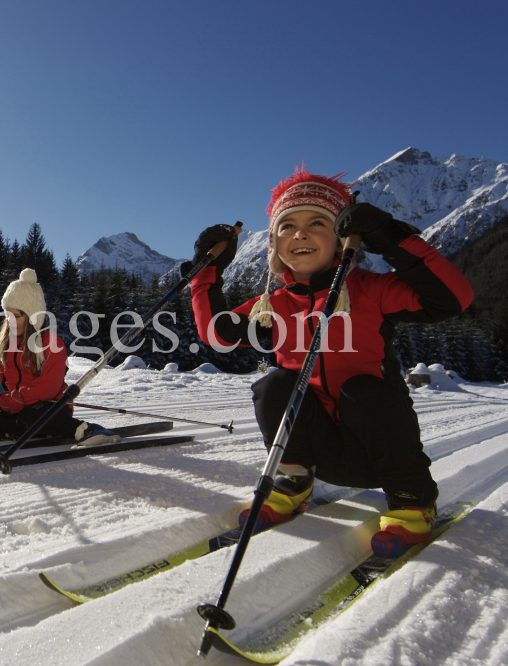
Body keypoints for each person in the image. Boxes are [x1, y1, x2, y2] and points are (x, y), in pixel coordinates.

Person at [184, 166, 473, 557]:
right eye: (287, 226)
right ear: (274, 245)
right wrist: (207, 272)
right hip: (314, 453)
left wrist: (392, 237)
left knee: (363, 389)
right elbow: (216, 334)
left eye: (317, 222)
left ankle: (411, 499)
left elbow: (453, 297)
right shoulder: (273, 305)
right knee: (274, 385)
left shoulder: (370, 291)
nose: (299, 234)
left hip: (379, 452)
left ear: (340, 241)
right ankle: (291, 484)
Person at [0, 268, 119, 446]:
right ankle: (40, 432)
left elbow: (48, 388)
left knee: (31, 417)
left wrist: (11, 401)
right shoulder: (5, 346)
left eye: (16, 316)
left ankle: (85, 429)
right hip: (16, 410)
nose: (10, 321)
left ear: (32, 317)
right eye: (7, 315)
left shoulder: (52, 344)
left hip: (47, 408)